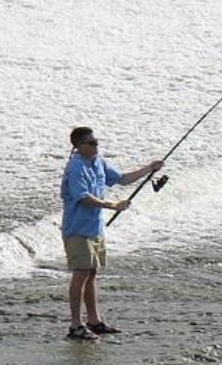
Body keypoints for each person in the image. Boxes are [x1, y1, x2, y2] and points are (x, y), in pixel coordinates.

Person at [59, 126, 163, 342]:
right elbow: (83, 197)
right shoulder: (76, 167)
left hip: (95, 228)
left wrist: (149, 168)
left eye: (96, 141)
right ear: (78, 146)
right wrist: (113, 206)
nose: (96, 145)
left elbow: (123, 179)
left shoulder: (98, 161)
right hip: (77, 229)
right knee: (80, 274)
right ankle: (75, 325)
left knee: (91, 273)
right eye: (91, 142)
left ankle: (94, 321)